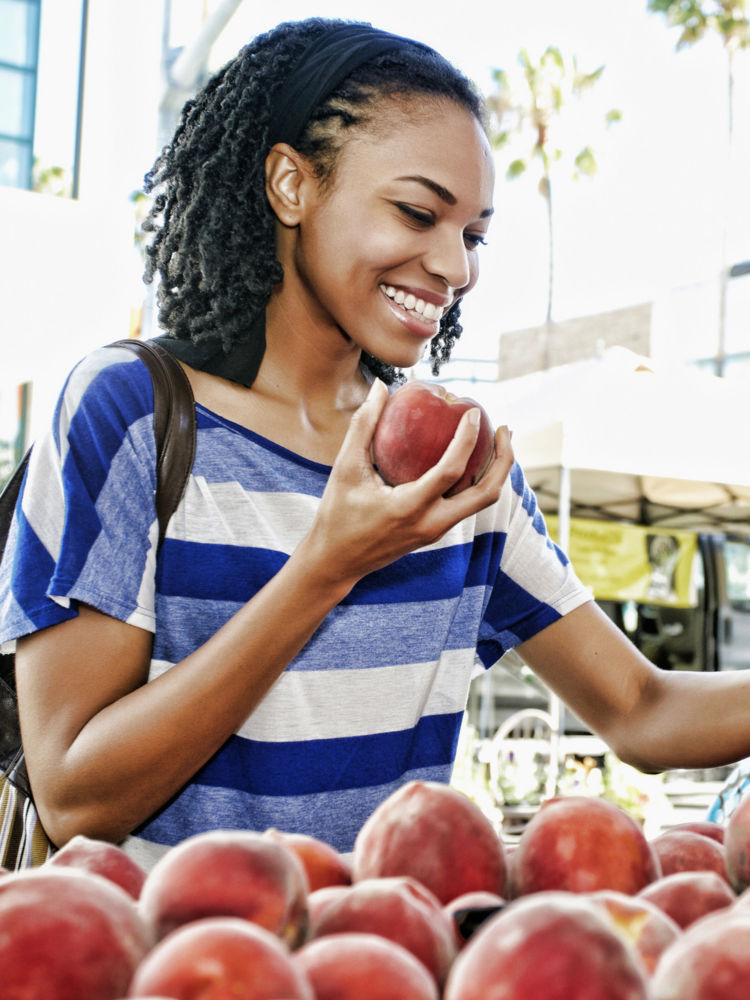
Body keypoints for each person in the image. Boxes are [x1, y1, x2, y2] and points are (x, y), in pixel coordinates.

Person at [2, 19, 750, 871]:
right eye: (417, 212)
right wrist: (330, 563)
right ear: (291, 185)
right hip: (167, 962)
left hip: (388, 957)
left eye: (471, 235)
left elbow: (641, 709)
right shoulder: (131, 411)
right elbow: (75, 793)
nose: (455, 267)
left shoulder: (457, 466)